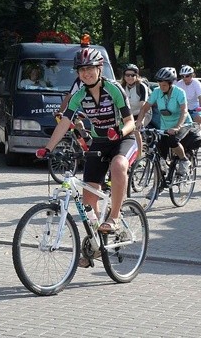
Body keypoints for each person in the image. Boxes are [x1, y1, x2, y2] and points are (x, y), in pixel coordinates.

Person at [36, 48, 137, 249]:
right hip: (99, 142)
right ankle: (96, 243)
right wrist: (47, 148)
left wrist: (119, 133)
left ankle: (115, 218)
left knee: (118, 165)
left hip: (123, 138)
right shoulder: (79, 95)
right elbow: (65, 121)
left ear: (100, 69)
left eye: (90, 68)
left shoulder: (114, 89)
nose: (86, 73)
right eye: (82, 70)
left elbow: (130, 122)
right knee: (88, 199)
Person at [137, 67, 194, 175]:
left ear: (171, 84)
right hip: (165, 125)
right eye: (160, 84)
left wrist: (177, 127)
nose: (161, 87)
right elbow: (145, 108)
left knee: (172, 140)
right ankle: (161, 178)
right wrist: (139, 122)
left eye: (164, 85)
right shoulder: (157, 92)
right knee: (160, 146)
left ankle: (184, 160)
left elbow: (184, 111)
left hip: (182, 123)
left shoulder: (179, 92)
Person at [120, 63, 150, 157]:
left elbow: (143, 107)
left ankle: (139, 156)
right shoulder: (121, 87)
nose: (130, 77)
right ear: (124, 76)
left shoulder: (141, 86)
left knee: (136, 130)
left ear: (137, 76)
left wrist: (141, 121)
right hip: (129, 115)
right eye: (127, 75)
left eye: (133, 75)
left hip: (143, 112)